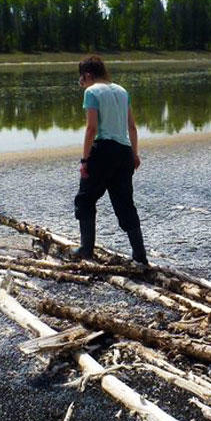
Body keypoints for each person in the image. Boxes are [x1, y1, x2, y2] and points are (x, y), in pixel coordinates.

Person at [73, 55, 148, 264]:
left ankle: (86, 249)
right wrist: (134, 154)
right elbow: (131, 126)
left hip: (103, 150)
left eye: (81, 79)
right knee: (125, 204)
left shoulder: (92, 92)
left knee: (85, 199)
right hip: (124, 152)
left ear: (87, 75)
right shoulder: (122, 91)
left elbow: (91, 129)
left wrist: (85, 160)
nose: (82, 83)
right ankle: (140, 256)